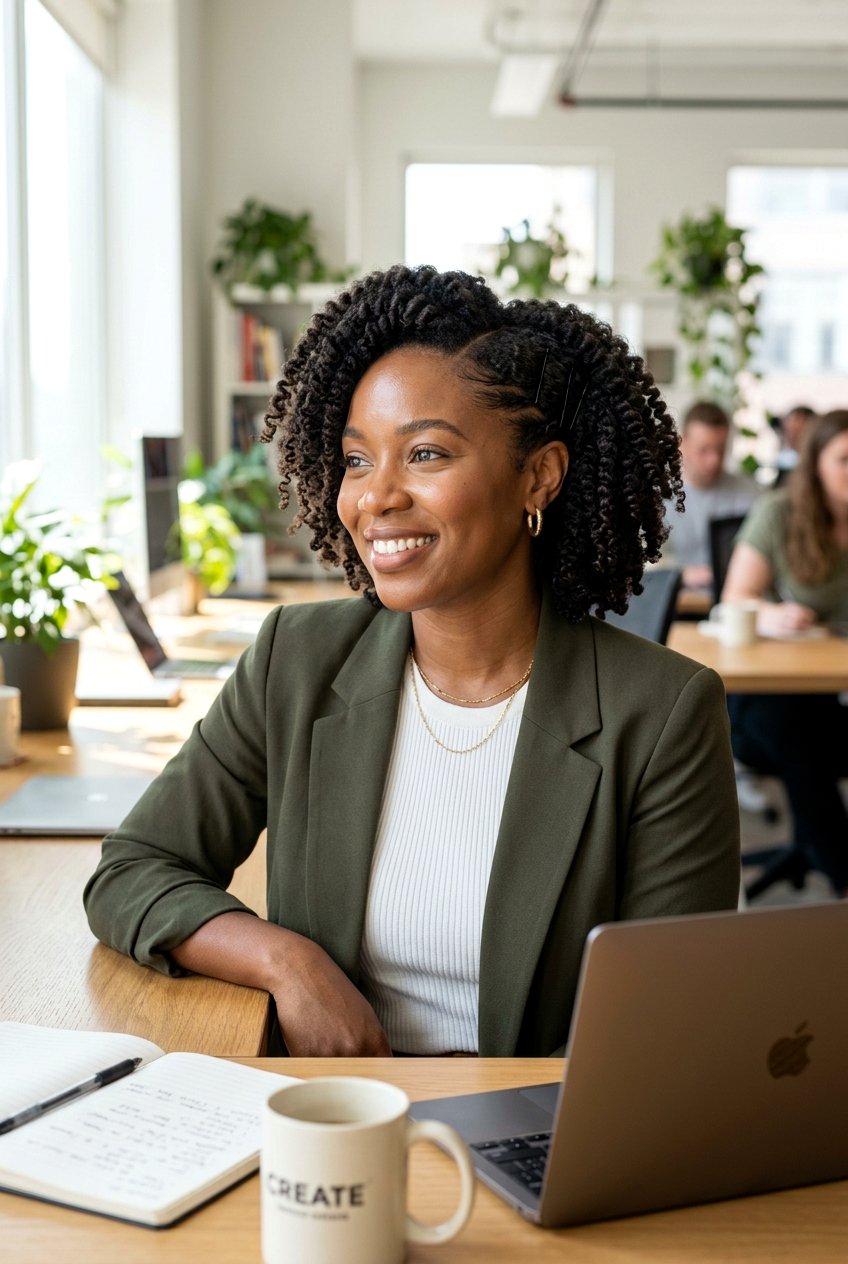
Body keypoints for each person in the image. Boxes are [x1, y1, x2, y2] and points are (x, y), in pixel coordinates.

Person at [84, 266, 740, 1058]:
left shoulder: (662, 711)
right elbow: (132, 867)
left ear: (539, 475)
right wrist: (288, 963)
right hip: (331, 1126)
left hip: (546, 1141)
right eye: (358, 460)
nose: (375, 498)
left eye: (425, 454)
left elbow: (673, 1031)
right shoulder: (297, 659)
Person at [722, 409, 848, 895]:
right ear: (815, 463)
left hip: (831, 695)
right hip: (763, 704)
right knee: (798, 731)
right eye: (844, 459)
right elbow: (735, 599)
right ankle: (842, 873)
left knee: (810, 735)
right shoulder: (778, 513)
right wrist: (772, 615)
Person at [663, 401, 759, 591]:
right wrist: (681, 574)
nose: (713, 460)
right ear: (681, 444)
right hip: (675, 603)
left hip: (732, 600)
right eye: (704, 450)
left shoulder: (751, 494)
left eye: (720, 450)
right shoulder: (655, 497)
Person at [772, 404, 816, 486]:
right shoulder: (784, 459)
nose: (790, 438)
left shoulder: (818, 465)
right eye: (788, 431)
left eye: (797, 433)